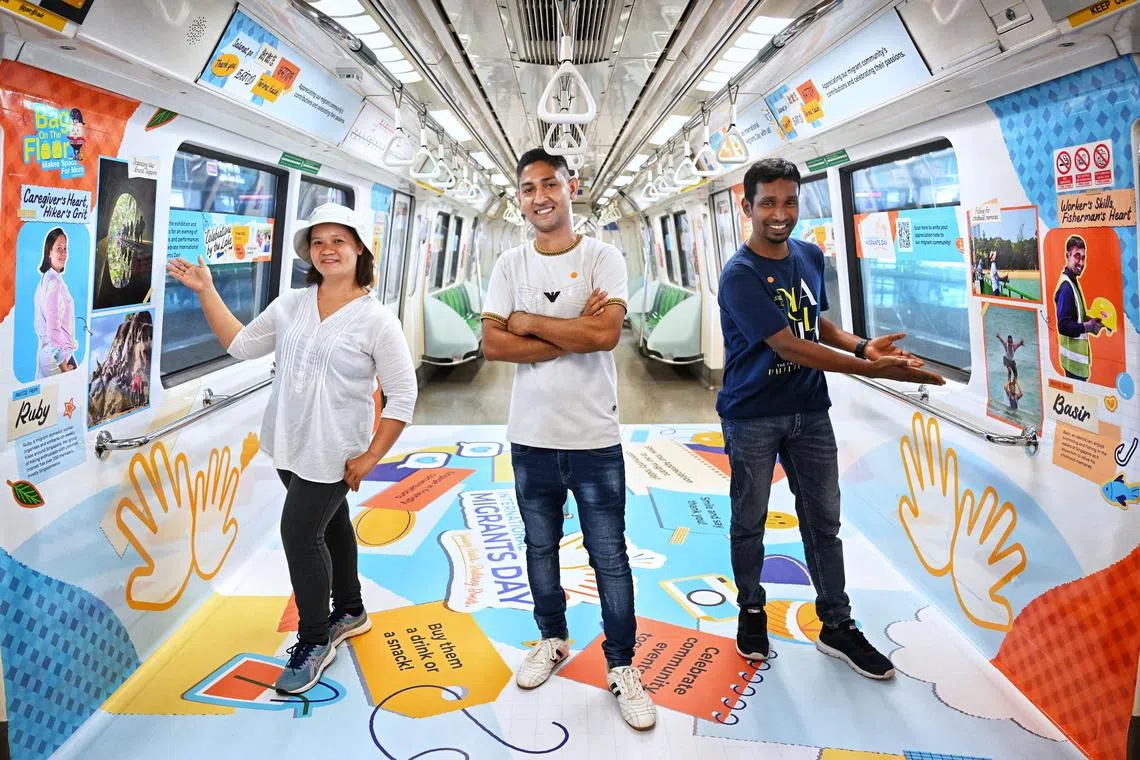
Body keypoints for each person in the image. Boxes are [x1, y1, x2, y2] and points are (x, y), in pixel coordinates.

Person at [166, 202, 417, 695]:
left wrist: (369, 457)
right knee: (333, 525)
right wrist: (207, 291)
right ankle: (350, 609)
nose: (328, 250)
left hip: (334, 451)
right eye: (318, 242)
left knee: (300, 535)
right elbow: (240, 344)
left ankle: (316, 639)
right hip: (288, 442)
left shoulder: (377, 321)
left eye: (338, 241)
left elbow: (402, 395)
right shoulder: (290, 305)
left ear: (359, 247)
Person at [717, 159, 944, 681]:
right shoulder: (739, 276)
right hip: (752, 416)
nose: (780, 213)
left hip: (809, 413)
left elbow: (813, 321)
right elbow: (790, 345)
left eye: (790, 201)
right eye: (768, 203)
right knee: (748, 520)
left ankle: (836, 625)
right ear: (747, 206)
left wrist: (863, 344)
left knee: (824, 521)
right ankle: (752, 610)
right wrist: (870, 367)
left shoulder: (809, 255)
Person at [479, 148, 656, 731]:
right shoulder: (509, 265)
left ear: (570, 186)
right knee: (538, 548)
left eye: (549, 184)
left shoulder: (604, 256)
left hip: (593, 436)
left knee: (610, 556)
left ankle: (622, 664)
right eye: (528, 189)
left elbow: (606, 335)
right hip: (531, 436)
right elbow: (494, 346)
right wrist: (568, 330)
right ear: (520, 199)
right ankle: (552, 638)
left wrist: (528, 321)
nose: (540, 197)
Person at [1053, 234, 1102, 381]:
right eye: (1077, 256)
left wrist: (1091, 322)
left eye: (1083, 257)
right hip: (1073, 367)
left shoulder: (1073, 281)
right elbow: (1063, 326)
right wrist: (1087, 327)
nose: (1081, 262)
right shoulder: (1067, 287)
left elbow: (1076, 316)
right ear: (1067, 255)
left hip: (1076, 366)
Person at [34, 227, 79, 378]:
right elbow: (53, 329)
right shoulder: (53, 283)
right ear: (49, 253)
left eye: (65, 248)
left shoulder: (47, 279)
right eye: (58, 248)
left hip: (51, 355)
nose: (63, 253)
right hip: (57, 361)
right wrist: (64, 366)